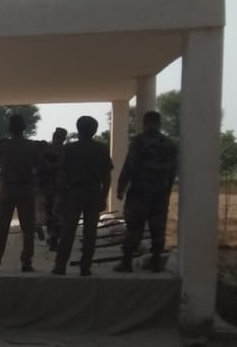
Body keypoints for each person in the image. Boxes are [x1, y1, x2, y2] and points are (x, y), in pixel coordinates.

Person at [115, 110, 178, 272]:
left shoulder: (139, 141)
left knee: (134, 227)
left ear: (145, 123)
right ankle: (156, 261)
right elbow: (173, 171)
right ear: (159, 123)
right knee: (158, 227)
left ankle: (127, 262)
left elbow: (129, 166)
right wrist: (167, 189)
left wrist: (121, 188)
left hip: (139, 192)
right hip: (160, 193)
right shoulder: (169, 144)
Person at [52, 116, 113, 276]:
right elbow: (107, 177)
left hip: (74, 192)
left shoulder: (69, 149)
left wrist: (59, 196)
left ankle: (60, 266)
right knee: (90, 232)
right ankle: (85, 267)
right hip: (94, 191)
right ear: (94, 130)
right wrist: (104, 196)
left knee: (67, 230)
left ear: (78, 129)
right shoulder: (101, 149)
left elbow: (62, 175)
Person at [0, 113, 43, 272]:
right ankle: (26, 262)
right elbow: (38, 164)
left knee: (1, 228)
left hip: (7, 189)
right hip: (26, 189)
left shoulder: (4, 145)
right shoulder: (31, 146)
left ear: (10, 128)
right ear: (24, 128)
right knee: (28, 229)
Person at [37, 128, 68, 251]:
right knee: (58, 215)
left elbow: (39, 170)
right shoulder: (66, 152)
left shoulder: (46, 151)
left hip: (49, 188)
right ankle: (55, 238)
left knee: (51, 214)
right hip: (60, 188)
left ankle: (53, 238)